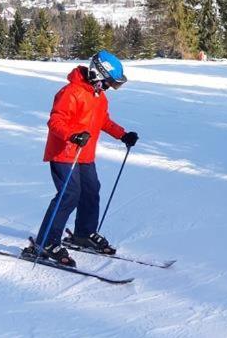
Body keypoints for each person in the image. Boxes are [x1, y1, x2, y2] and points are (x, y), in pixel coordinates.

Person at [22, 50, 139, 266]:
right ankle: (45, 242)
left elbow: (103, 121)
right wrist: (72, 135)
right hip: (64, 152)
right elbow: (55, 121)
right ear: (96, 74)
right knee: (69, 194)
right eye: (107, 83)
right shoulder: (71, 92)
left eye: (111, 85)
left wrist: (122, 134)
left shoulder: (99, 98)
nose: (107, 88)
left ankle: (84, 234)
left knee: (91, 190)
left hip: (84, 155)